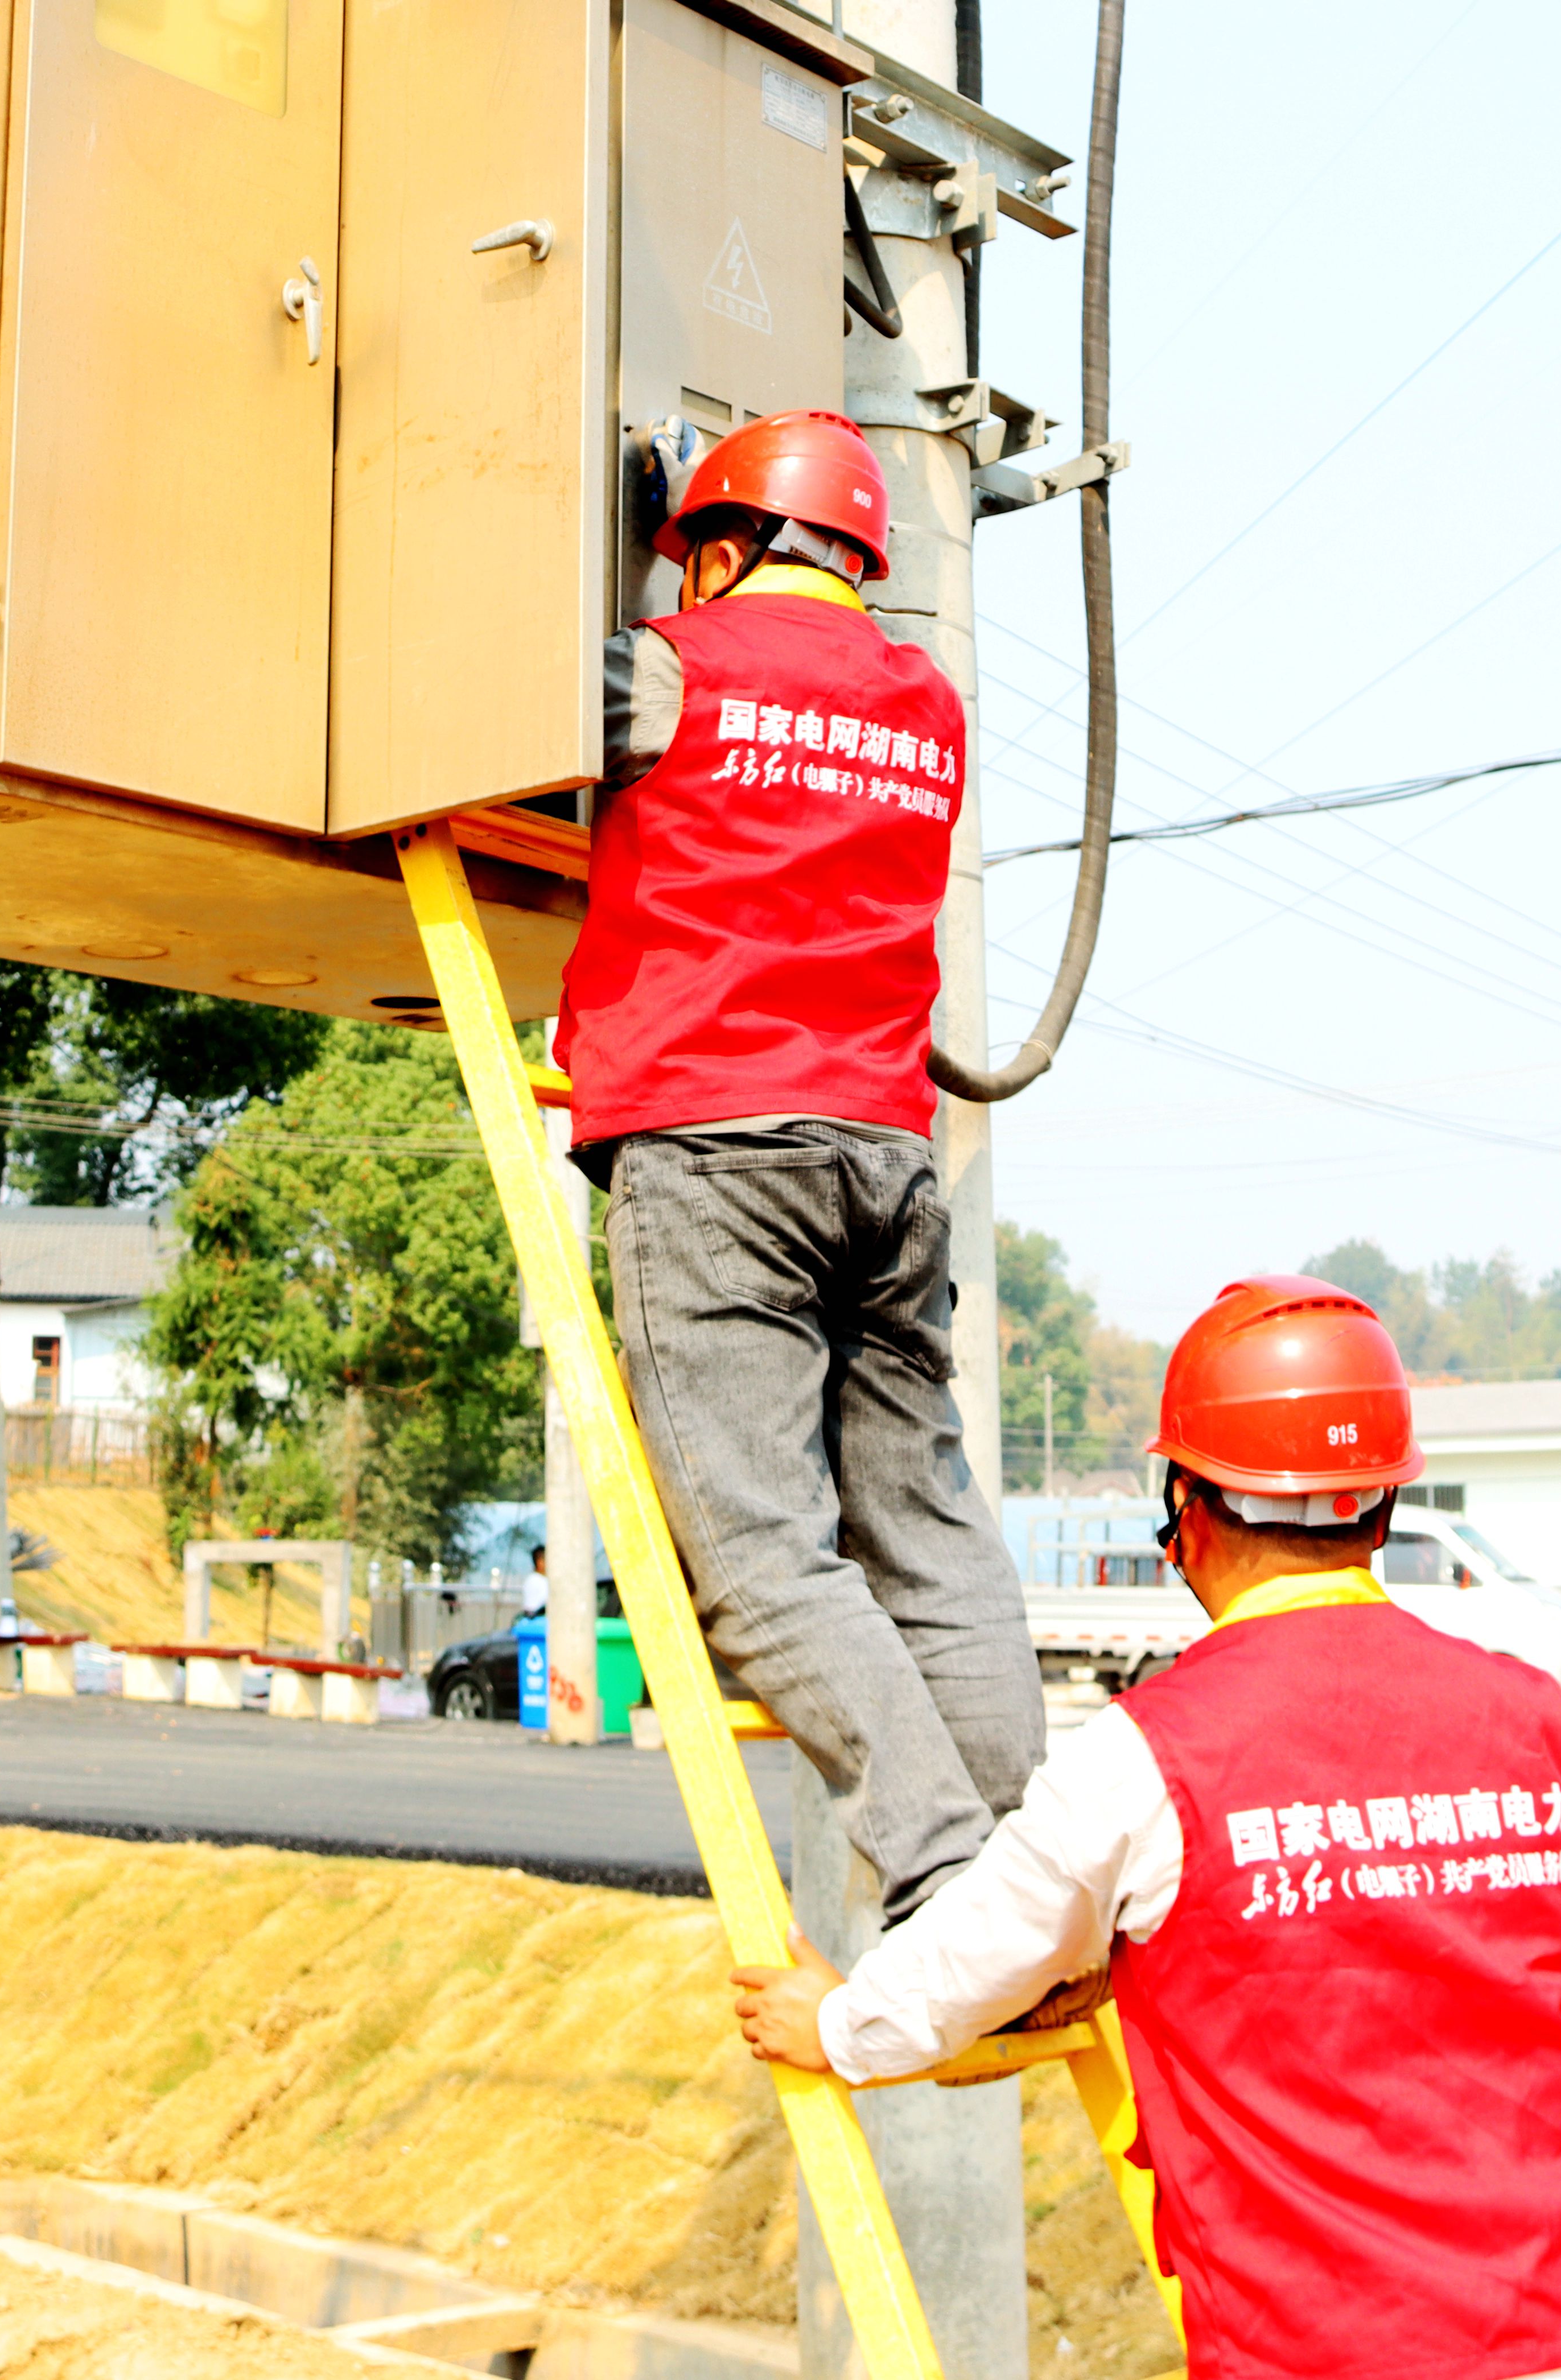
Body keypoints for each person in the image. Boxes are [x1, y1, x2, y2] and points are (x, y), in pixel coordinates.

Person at [731, 1277, 1561, 2380]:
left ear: (1189, 1505)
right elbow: (1559, 2006)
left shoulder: (1151, 1754)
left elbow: (976, 1951)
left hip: (1339, 2350)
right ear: (1379, 1503)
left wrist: (837, 2025)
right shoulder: (1532, 1716)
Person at [558, 410, 1037, 1921]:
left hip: (714, 1144)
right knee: (928, 1527)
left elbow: (518, 716)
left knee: (761, 1562)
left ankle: (940, 1862)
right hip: (886, 1158)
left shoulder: (669, 670)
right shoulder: (931, 704)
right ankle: (1025, 1861)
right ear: (856, 557)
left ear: (714, 548)